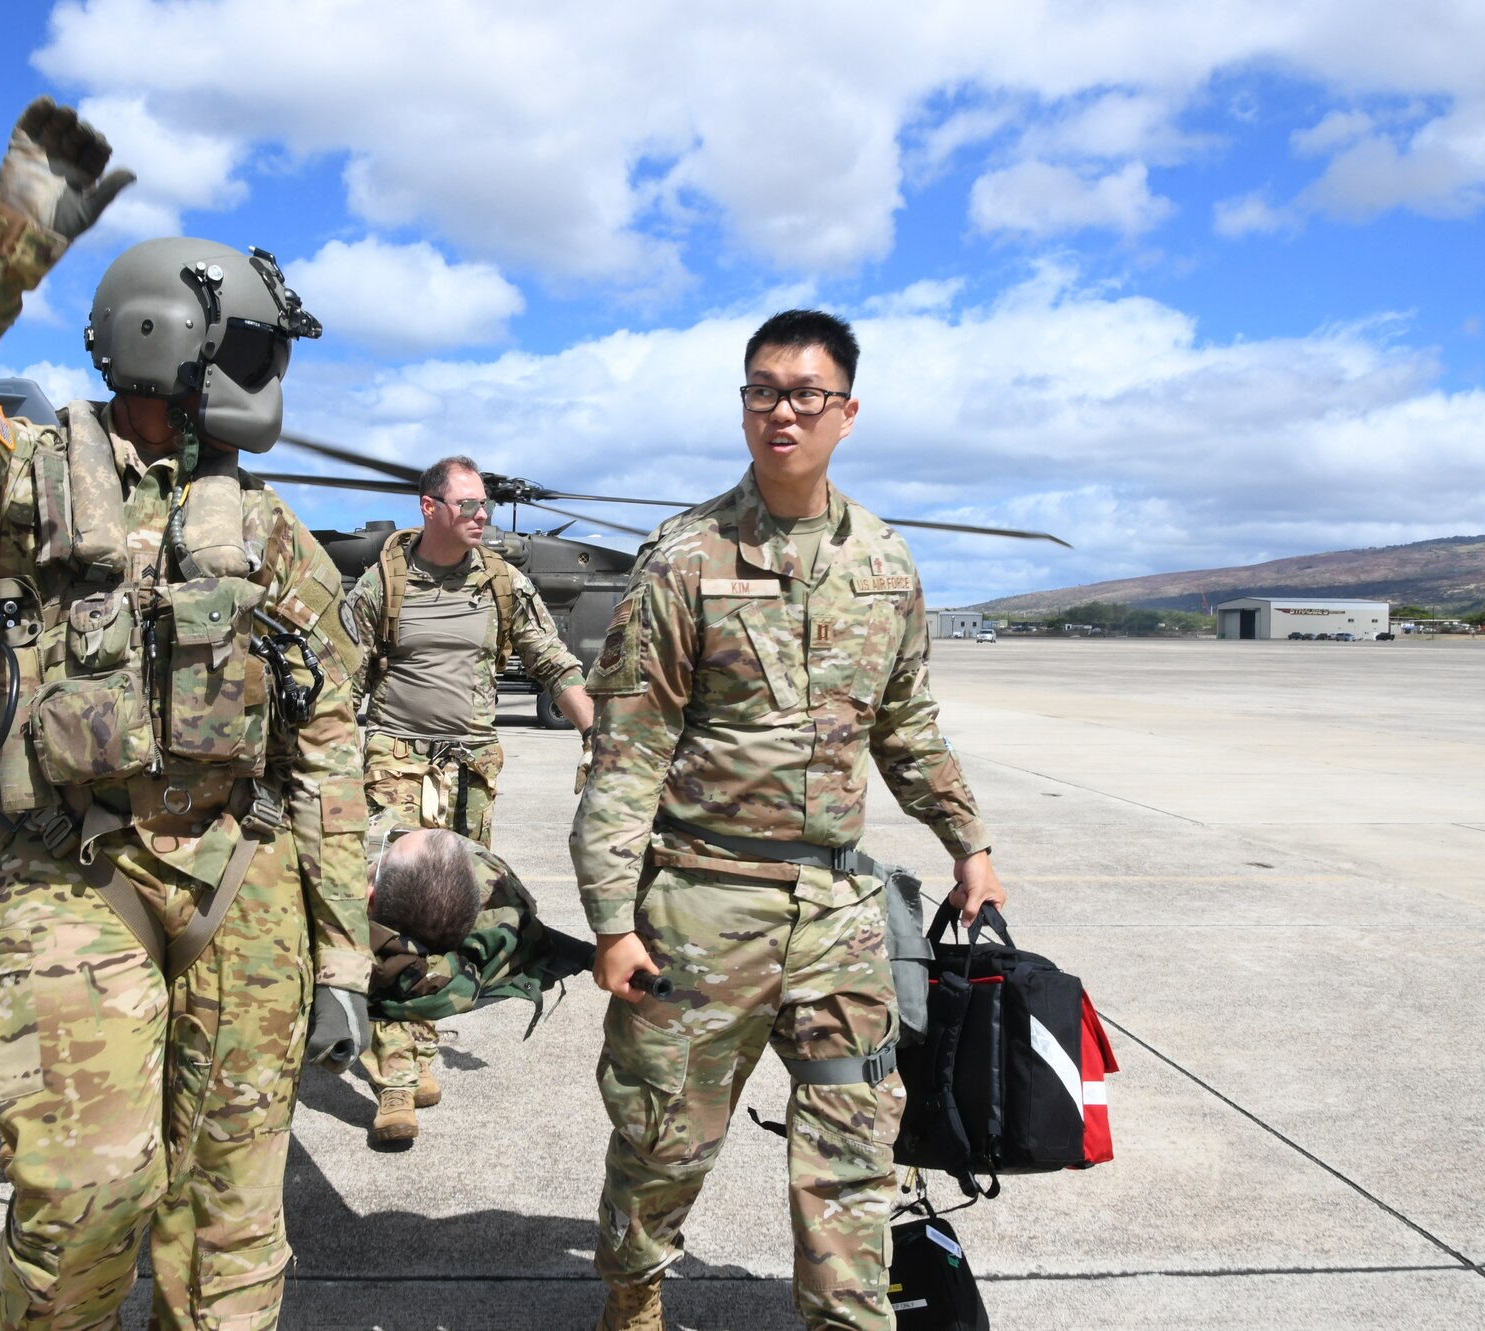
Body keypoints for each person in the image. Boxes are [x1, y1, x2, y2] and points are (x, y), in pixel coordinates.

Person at [0, 98, 369, 1331]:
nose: (272, 378)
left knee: (232, 1217)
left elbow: (328, 740)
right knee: (85, 1195)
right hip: (66, 870)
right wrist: (4, 238)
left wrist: (344, 953)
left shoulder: (270, 533)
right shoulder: (15, 487)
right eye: (258, 351)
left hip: (245, 878)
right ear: (171, 341)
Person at [571, 309, 1010, 1331]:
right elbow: (628, 750)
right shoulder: (683, 558)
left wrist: (967, 840)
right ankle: (631, 1296)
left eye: (804, 394)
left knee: (853, 1144)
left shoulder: (885, 564)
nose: (781, 410)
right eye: (760, 390)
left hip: (837, 909)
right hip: (697, 905)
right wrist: (609, 917)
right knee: (659, 1138)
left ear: (844, 413)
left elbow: (906, 722)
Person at [344, 454, 594, 1139]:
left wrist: (594, 729)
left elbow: (551, 658)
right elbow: (341, 676)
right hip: (394, 762)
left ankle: (418, 1038)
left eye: (484, 505)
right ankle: (396, 1077)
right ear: (430, 509)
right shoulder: (383, 582)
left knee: (452, 915)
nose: (482, 516)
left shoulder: (501, 582)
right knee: (395, 915)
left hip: (470, 773)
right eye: (468, 506)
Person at [360, 825, 593, 1145]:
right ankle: (396, 1082)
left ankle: (421, 1054)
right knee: (386, 977)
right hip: (375, 911)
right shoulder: (345, 903)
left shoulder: (497, 899)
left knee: (420, 966)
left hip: (435, 886)